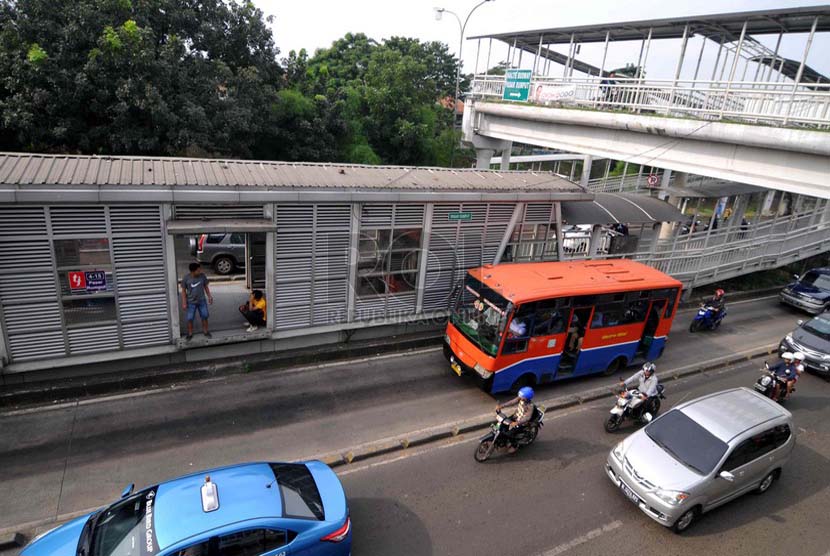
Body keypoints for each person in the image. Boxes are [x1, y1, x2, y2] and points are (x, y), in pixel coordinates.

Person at [496, 386, 536, 453]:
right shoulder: (520, 398)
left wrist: (517, 423)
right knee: (502, 424)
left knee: (509, 434)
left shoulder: (530, 406)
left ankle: (514, 446)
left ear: (527, 398)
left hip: (521, 422)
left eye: (522, 396)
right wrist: (501, 406)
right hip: (515, 416)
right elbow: (512, 402)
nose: (520, 397)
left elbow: (527, 417)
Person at [181, 262, 212, 341]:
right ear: (192, 271)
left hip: (202, 301)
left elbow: (206, 287)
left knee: (205, 316)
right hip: (191, 302)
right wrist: (184, 302)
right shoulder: (186, 278)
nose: (200, 271)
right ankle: (190, 333)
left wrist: (209, 296)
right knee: (190, 318)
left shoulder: (202, 276)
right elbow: (183, 291)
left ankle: (205, 331)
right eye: (198, 270)